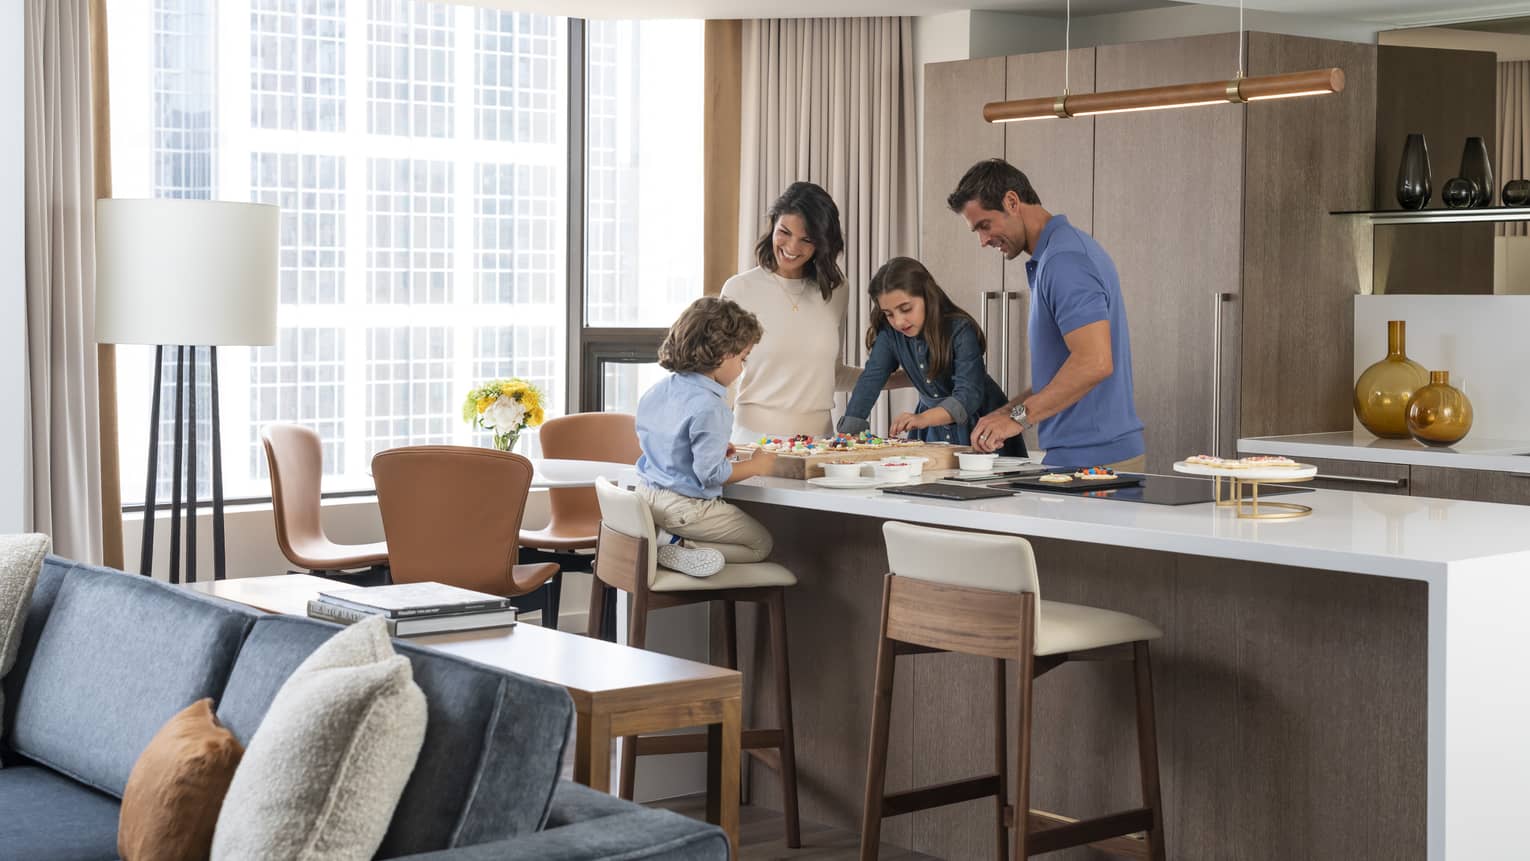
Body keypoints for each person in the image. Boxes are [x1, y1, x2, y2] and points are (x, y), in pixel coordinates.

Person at [949, 159, 1145, 471]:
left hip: (1096, 462)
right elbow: (1063, 372)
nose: (983, 241)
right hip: (1085, 456)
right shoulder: (1060, 253)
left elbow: (1094, 362)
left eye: (985, 226)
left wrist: (1017, 420)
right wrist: (1007, 411)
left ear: (1012, 202)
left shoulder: (1065, 260)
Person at [634, 297, 779, 578]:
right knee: (762, 543)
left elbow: (660, 441)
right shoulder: (712, 406)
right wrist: (756, 466)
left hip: (648, 499)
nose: (743, 367)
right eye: (743, 358)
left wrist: (710, 448)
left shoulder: (659, 389)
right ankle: (680, 544)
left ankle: (671, 541)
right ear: (723, 354)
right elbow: (710, 474)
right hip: (687, 508)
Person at [836, 257, 1025, 456]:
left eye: (906, 308)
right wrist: (845, 438)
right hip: (930, 429)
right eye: (889, 314)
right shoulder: (890, 335)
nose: (899, 321)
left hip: (982, 424)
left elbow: (968, 395)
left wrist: (924, 419)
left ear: (928, 296)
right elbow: (870, 381)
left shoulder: (960, 329)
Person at [720, 181, 862, 443]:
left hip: (818, 443)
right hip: (752, 440)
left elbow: (832, 373)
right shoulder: (740, 289)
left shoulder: (836, 290)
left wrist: (905, 377)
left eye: (806, 239)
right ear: (773, 224)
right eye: (784, 232)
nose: (792, 247)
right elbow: (720, 375)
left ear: (822, 243)